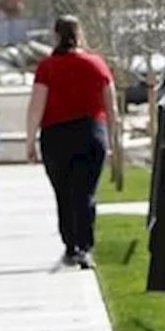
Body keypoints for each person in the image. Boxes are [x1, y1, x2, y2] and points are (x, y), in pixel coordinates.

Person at [24, 15, 117, 269]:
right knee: (85, 193)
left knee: (63, 193)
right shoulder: (97, 65)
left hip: (56, 136)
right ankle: (85, 247)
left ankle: (71, 245)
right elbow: (112, 106)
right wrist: (114, 140)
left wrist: (30, 141)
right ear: (79, 34)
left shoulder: (47, 67)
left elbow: (36, 107)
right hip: (91, 133)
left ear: (55, 36)